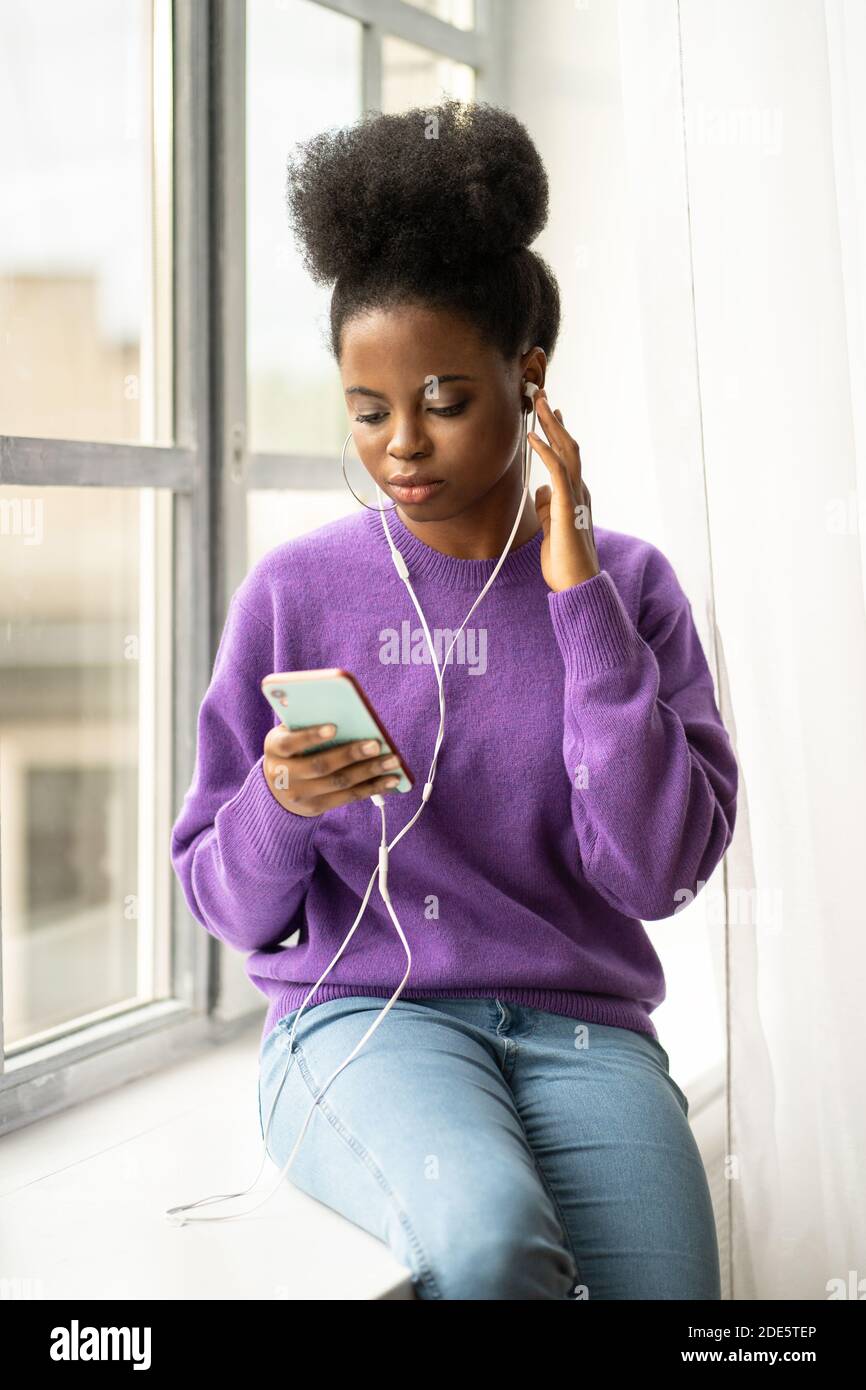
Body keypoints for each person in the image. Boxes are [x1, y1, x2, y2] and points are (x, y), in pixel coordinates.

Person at [170, 98, 738, 1300]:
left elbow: (657, 872)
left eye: (441, 399)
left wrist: (576, 593)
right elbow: (225, 901)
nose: (400, 448)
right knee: (488, 1244)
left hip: (587, 1034)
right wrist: (280, 801)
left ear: (527, 379)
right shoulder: (295, 591)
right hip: (363, 1027)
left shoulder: (628, 587)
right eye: (367, 411)